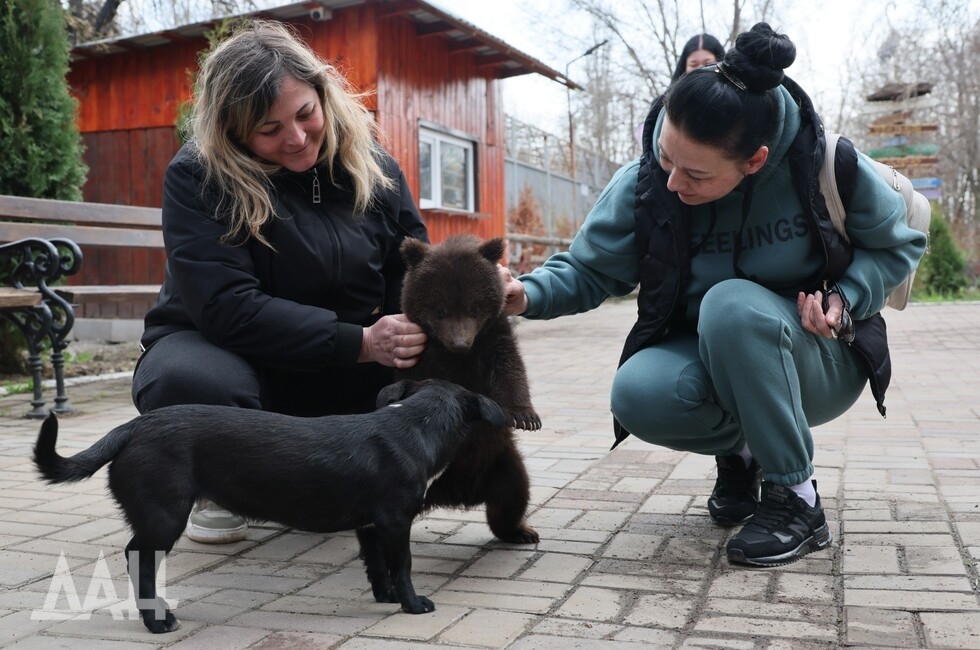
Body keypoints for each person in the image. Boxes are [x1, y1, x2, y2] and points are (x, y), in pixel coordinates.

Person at [501, 23, 927, 567]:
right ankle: (745, 452)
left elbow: (898, 247)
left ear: (753, 161)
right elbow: (588, 270)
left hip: (818, 358)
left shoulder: (824, 163)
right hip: (718, 354)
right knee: (637, 392)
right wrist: (523, 294)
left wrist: (845, 296)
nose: (674, 182)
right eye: (666, 156)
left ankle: (797, 499)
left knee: (731, 305)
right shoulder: (649, 182)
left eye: (696, 174)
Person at [131, 20, 429, 543]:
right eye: (269, 130)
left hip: (346, 362)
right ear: (233, 131)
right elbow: (227, 308)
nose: (295, 138)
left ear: (323, 94)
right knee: (190, 379)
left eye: (305, 114)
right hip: (240, 356)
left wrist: (442, 304)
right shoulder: (198, 178)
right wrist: (358, 342)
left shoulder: (374, 166)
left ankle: (366, 484)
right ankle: (217, 488)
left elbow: (410, 269)